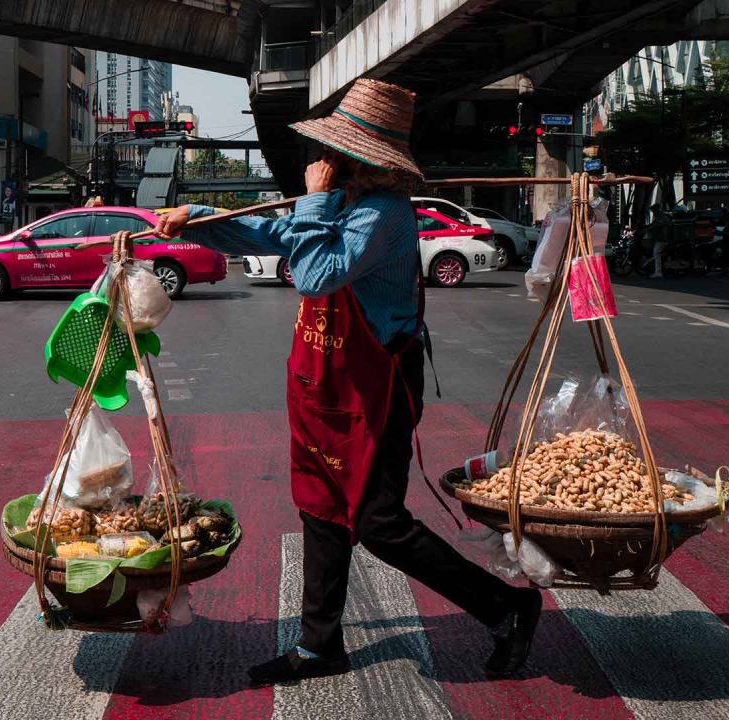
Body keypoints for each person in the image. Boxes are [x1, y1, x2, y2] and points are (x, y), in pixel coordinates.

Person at [130, 78, 540, 685]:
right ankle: (320, 646)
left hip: (375, 389)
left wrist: (313, 200)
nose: (321, 161)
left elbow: (316, 275)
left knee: (378, 523)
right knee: (320, 509)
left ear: (362, 158)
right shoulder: (344, 203)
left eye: (335, 151)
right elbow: (271, 234)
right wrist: (197, 220)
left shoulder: (383, 214)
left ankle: (507, 607)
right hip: (324, 386)